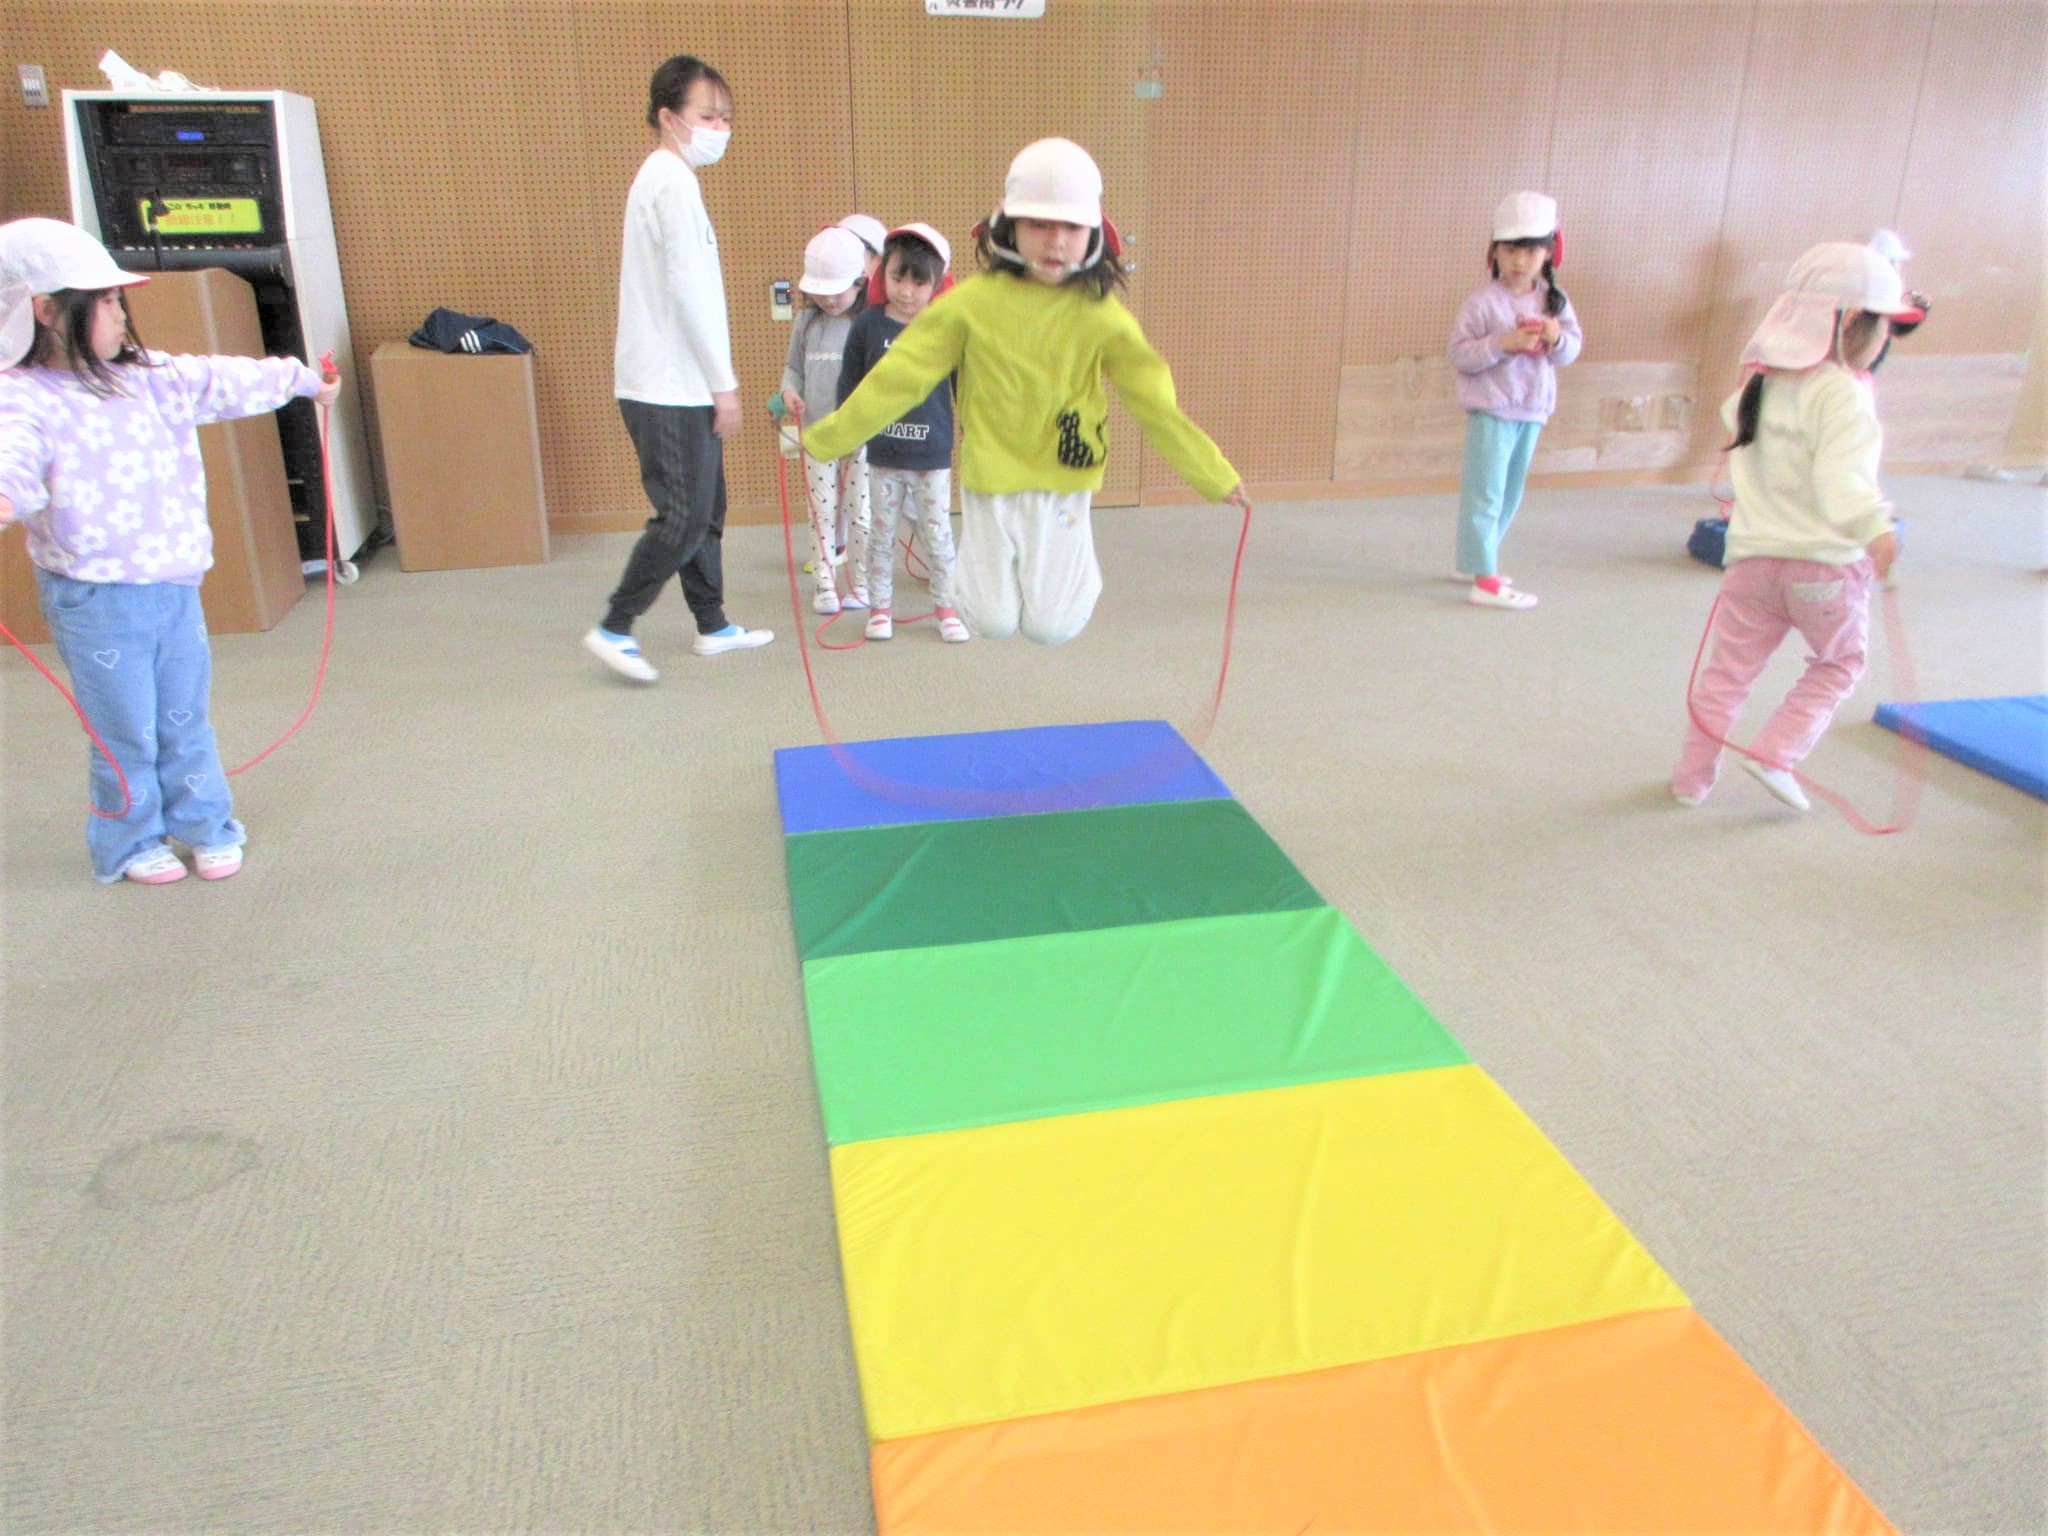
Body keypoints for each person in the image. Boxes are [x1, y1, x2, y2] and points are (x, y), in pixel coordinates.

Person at [0, 217, 341, 883]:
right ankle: (130, 843)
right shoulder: (21, 396)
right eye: (104, 301)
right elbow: (14, 457)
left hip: (174, 584)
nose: (119, 313)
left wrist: (305, 380)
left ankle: (206, 823)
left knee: (184, 718)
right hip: (94, 597)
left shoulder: (151, 376)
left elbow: (225, 379)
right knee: (125, 729)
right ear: (44, 311)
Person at [804, 138, 1249, 645]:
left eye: (1071, 228)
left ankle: (1071, 576)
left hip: (1064, 476)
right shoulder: (971, 305)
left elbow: (1154, 402)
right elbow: (900, 376)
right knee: (991, 621)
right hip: (992, 476)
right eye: (1039, 224)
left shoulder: (1100, 314)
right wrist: (831, 436)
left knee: (1051, 628)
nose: (1056, 242)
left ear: (1093, 232)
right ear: (1010, 225)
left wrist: (1212, 473)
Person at [1671, 242, 1915, 812]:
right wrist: (1876, 528)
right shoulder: (1843, 393)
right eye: (1882, 326)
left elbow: (1738, 426)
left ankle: (1690, 779)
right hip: (1823, 569)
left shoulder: (1756, 387)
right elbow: (1843, 483)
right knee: (1840, 663)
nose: (1884, 340)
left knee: (1726, 675)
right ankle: (1776, 753)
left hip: (1751, 564)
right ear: (1850, 324)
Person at [584, 54, 771, 685]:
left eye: (726, 117)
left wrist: (714, 382)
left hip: (684, 384)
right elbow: (689, 293)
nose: (720, 128)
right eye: (707, 116)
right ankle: (616, 625)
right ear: (668, 117)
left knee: (707, 509)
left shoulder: (675, 180)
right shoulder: (668, 180)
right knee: (684, 515)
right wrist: (725, 385)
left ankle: (712, 625)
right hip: (666, 387)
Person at [1447, 191, 1583, 609]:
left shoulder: (1554, 302)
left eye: (1530, 251)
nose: (1519, 261)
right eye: (1510, 250)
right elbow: (1460, 355)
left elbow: (1571, 350)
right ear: (1495, 252)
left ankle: (1479, 559)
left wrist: (1556, 338)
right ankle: (1483, 578)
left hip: (1532, 409)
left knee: (1509, 492)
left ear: (1548, 253)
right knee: (1485, 491)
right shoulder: (1481, 303)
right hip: (1492, 410)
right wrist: (1502, 344)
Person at [837, 223, 967, 643]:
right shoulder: (867, 326)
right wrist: (844, 432)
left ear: (937, 284)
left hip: (932, 456)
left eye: (919, 282)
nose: (907, 291)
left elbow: (966, 386)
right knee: (881, 536)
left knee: (938, 535)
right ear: (883, 275)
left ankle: (947, 608)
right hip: (884, 456)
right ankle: (880, 610)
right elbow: (850, 384)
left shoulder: (946, 328)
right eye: (898, 278)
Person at [782, 225, 873, 615]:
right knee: (820, 512)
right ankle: (825, 583)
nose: (830, 299)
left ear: (860, 282)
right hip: (817, 434)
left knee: (861, 513)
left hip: (861, 436)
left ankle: (862, 583)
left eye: (839, 290)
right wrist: (789, 391)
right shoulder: (806, 321)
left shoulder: (868, 323)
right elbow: (793, 368)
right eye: (822, 291)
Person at [1864, 229, 1930, 372]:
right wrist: (1920, 307)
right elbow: (1898, 326)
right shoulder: (1884, 285)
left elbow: (1898, 327)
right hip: (1865, 349)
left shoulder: (1874, 283)